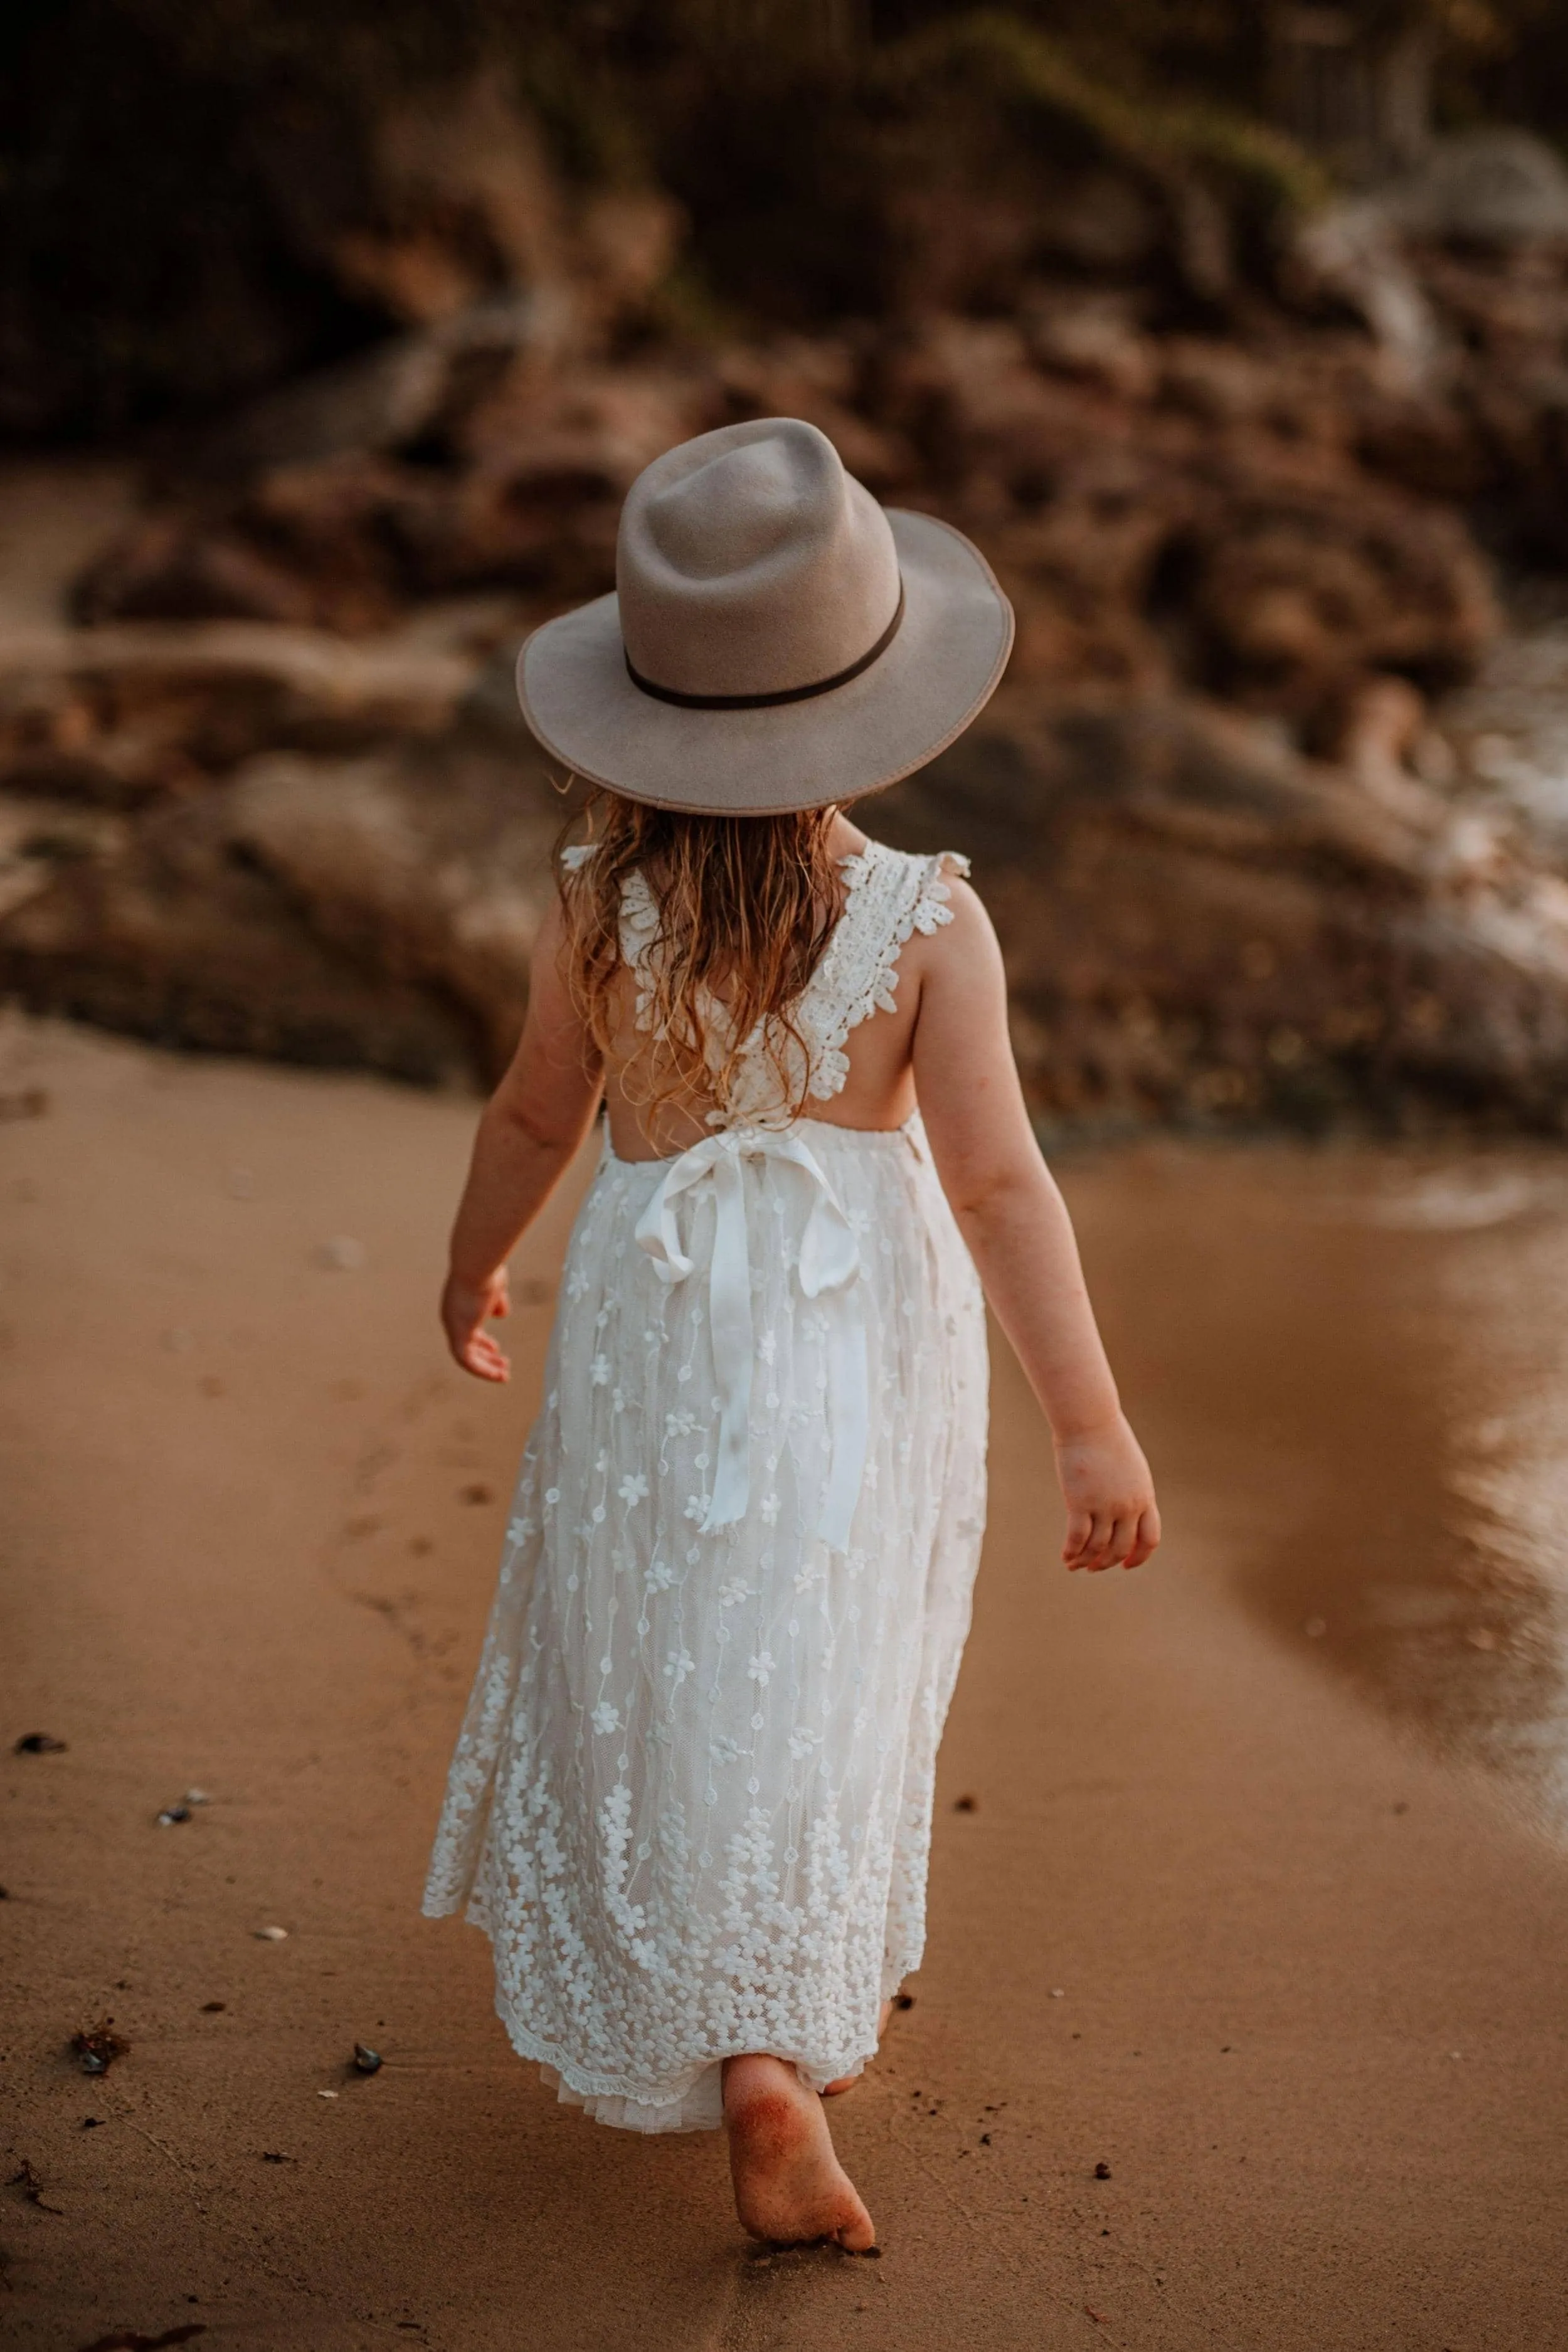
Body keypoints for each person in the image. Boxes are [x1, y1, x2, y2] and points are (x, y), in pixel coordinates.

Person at [423, 418, 1160, 2252]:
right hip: (853, 1356)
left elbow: (533, 1110)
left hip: (655, 1343)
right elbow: (998, 1191)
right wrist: (1088, 1419)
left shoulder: (596, 904)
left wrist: (470, 1265)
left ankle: (731, 2007)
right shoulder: (927, 923)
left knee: (675, 1655)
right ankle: (778, 2051)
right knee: (819, 1665)